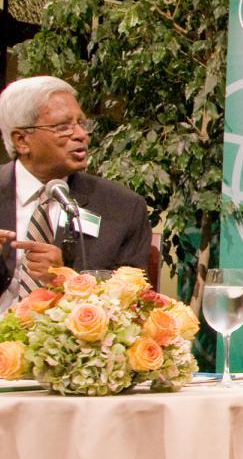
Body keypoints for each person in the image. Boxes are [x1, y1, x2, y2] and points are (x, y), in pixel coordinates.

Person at [0, 76, 151, 311]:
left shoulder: (122, 208)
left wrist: (65, 281)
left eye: (81, 123)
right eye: (63, 127)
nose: (81, 134)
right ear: (21, 141)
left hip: (75, 344)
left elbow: (134, 306)